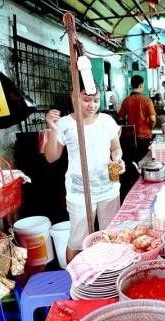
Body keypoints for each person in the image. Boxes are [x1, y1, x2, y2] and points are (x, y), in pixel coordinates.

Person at [44, 82, 125, 263]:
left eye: (96, 100)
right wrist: (52, 129)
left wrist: (117, 159)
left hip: (108, 188)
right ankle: (73, 282)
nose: (92, 105)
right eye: (86, 100)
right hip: (79, 192)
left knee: (110, 235)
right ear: (74, 98)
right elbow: (51, 157)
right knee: (77, 240)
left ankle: (107, 273)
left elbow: (115, 148)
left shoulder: (106, 121)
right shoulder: (65, 123)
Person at [113, 75, 156, 161]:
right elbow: (153, 119)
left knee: (133, 161)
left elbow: (120, 115)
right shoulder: (147, 100)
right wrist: (151, 127)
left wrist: (115, 103)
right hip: (145, 136)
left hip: (131, 137)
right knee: (144, 161)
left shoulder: (127, 100)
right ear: (140, 85)